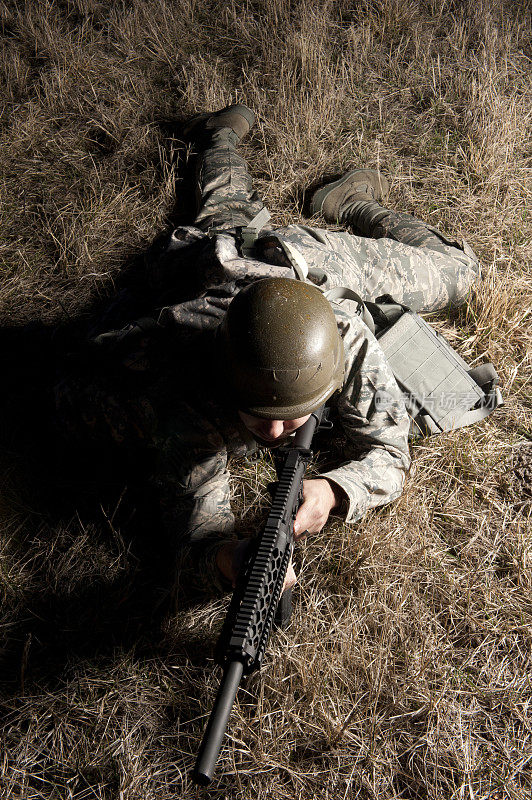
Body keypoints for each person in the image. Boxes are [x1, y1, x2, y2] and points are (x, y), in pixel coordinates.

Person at [54, 103, 480, 597]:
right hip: (213, 261)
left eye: (292, 415)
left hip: (307, 264)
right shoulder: (186, 383)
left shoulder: (341, 336)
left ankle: (355, 202)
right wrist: (229, 559)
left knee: (462, 275)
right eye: (259, 415)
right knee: (224, 210)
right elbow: (196, 518)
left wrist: (334, 490)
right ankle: (219, 137)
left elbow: (390, 446)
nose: (276, 433)